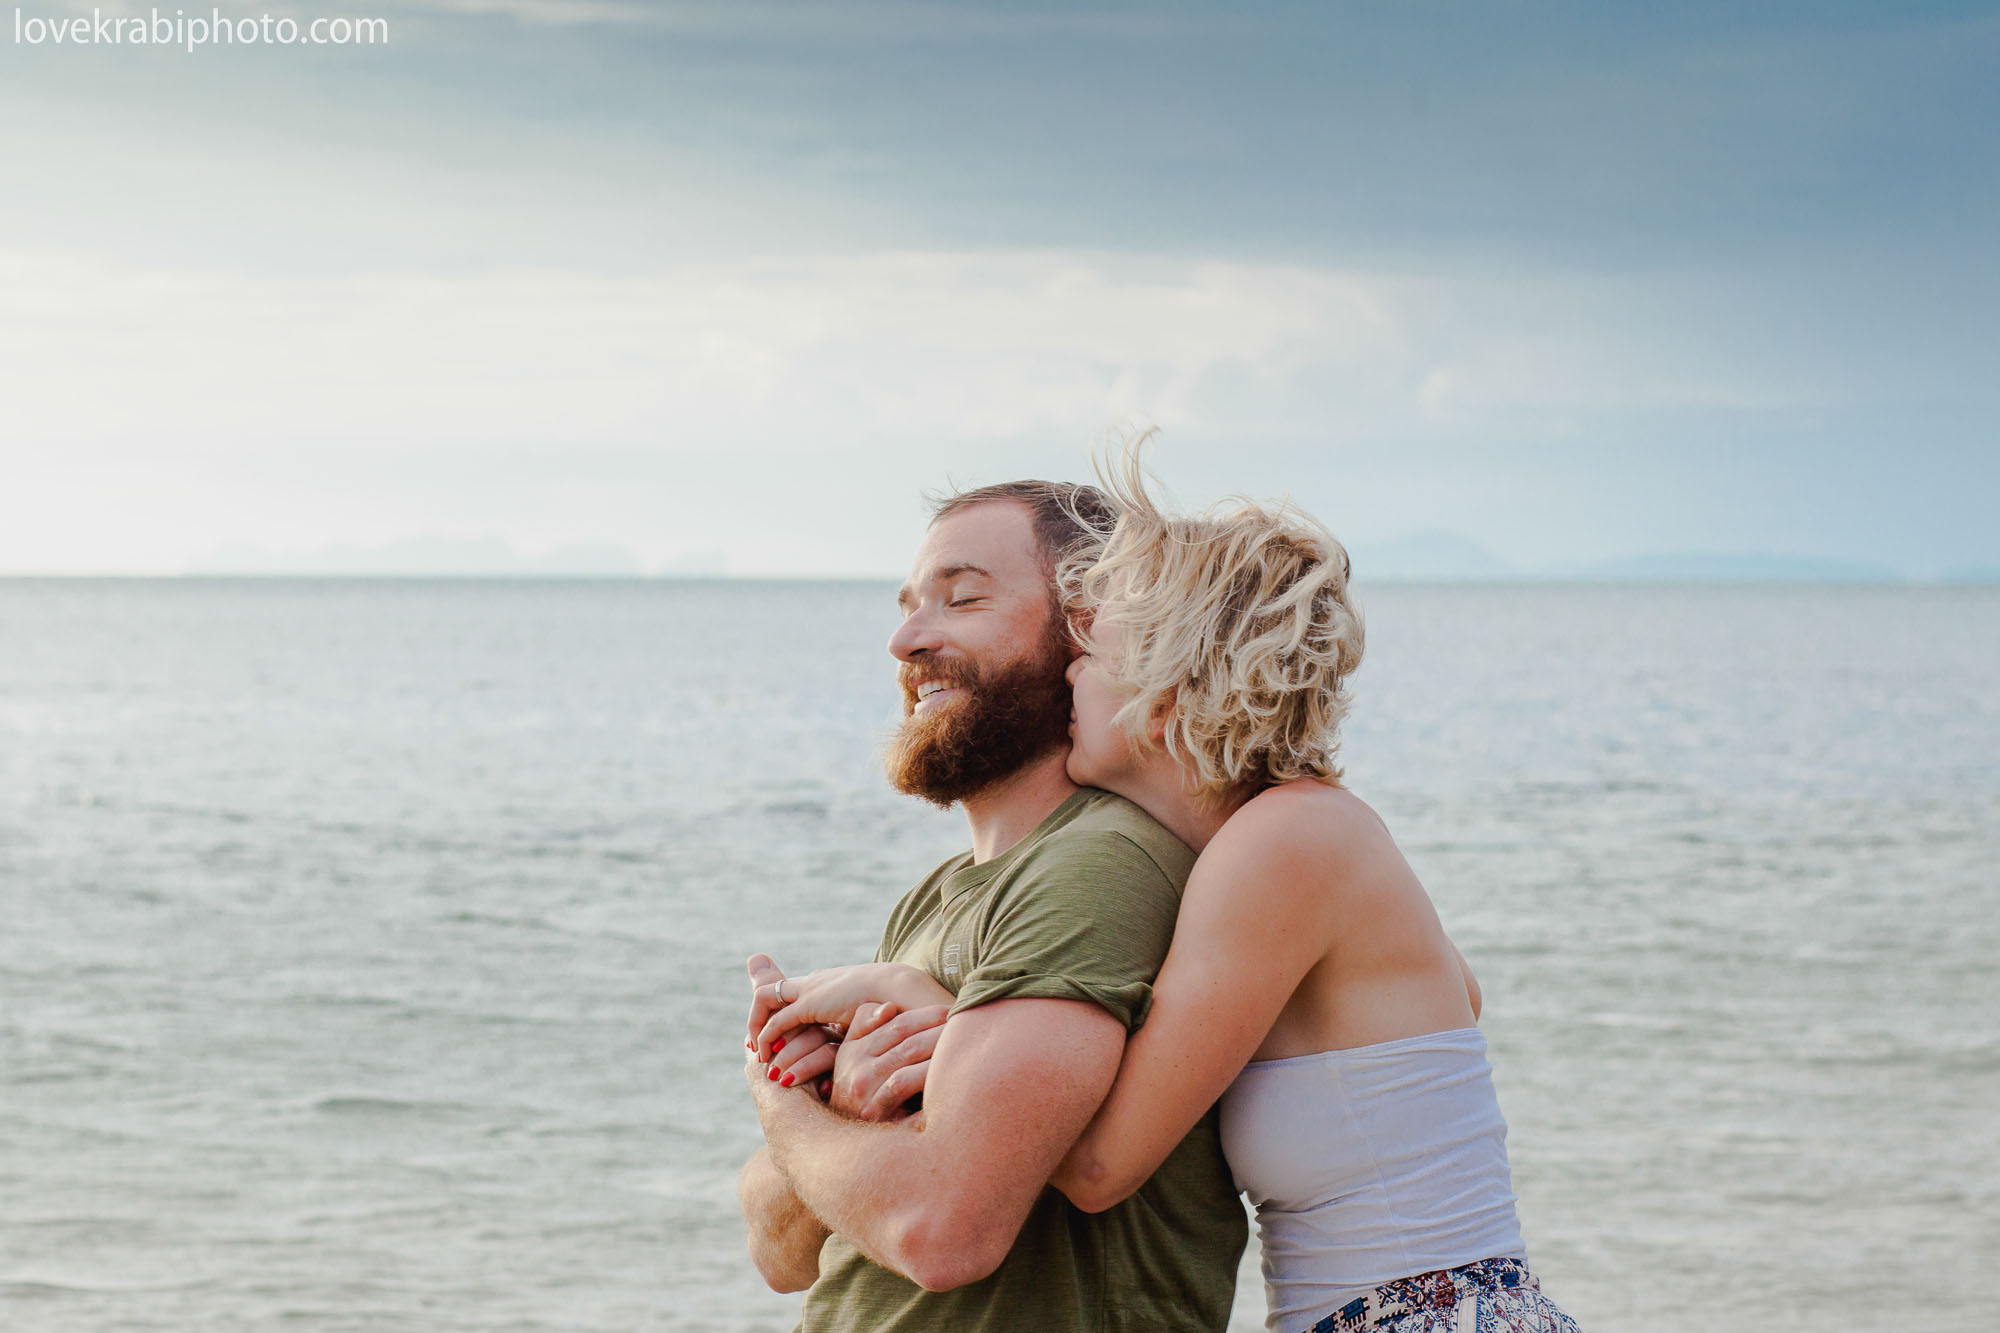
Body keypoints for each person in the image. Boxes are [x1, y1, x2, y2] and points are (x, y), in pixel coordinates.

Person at [755, 445, 1582, 1333]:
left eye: (1091, 653)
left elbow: (1098, 1165)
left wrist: (929, 1004)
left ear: (1166, 690)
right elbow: (1456, 993)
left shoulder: (1286, 841)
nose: (1069, 672)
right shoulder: (1277, 844)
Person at [736, 479, 1247, 1332]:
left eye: (962, 599)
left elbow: (943, 1233)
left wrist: (776, 1093)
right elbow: (778, 1253)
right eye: (907, 608)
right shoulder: (934, 900)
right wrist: (853, 1111)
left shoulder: (1099, 863)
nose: (906, 640)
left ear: (1085, 629)